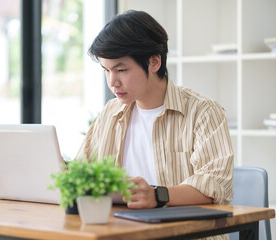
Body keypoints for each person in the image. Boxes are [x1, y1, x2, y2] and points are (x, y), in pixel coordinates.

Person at [76, 9, 233, 220]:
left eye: (121, 70)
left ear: (154, 62)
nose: (112, 82)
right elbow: (80, 173)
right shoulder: (109, 114)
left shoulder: (203, 112)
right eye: (106, 70)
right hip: (122, 230)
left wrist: (159, 195)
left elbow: (215, 184)